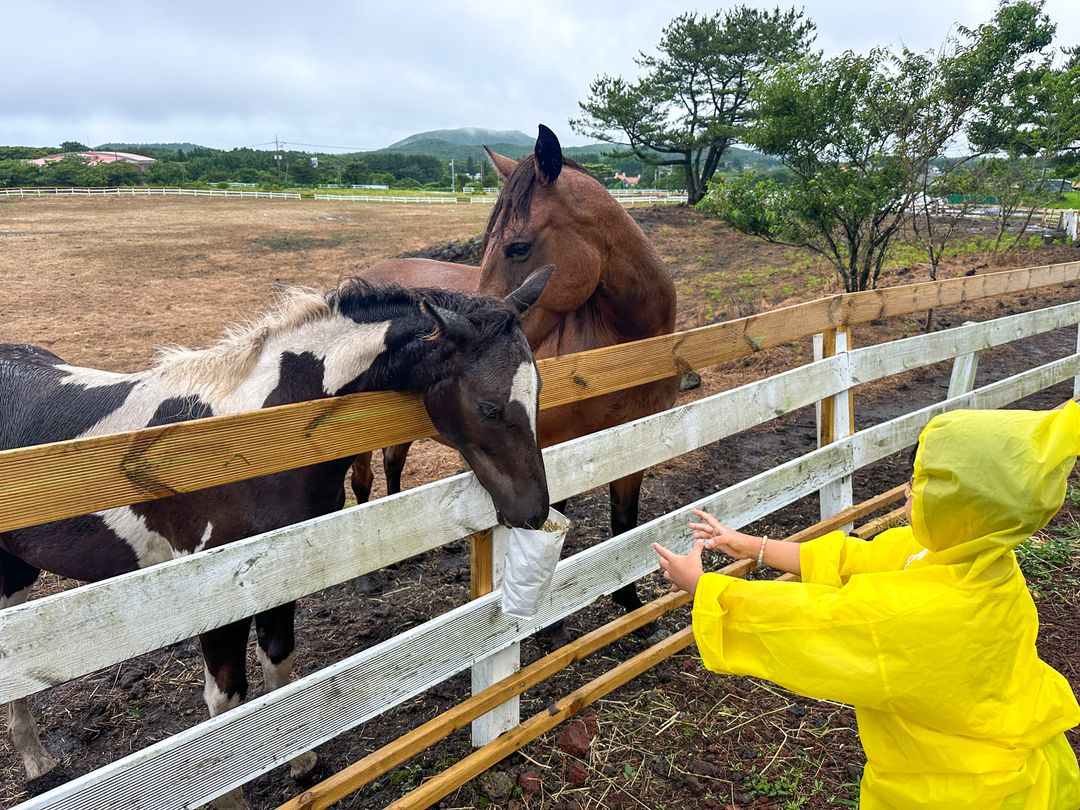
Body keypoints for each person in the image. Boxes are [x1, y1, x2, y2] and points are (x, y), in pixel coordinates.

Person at [654, 404, 1080, 809]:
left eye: (921, 485)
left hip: (952, 791)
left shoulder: (906, 614)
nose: (905, 491)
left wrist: (703, 589)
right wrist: (751, 545)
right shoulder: (978, 561)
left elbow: (811, 621)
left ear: (963, 507)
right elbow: (852, 560)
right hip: (1024, 771)